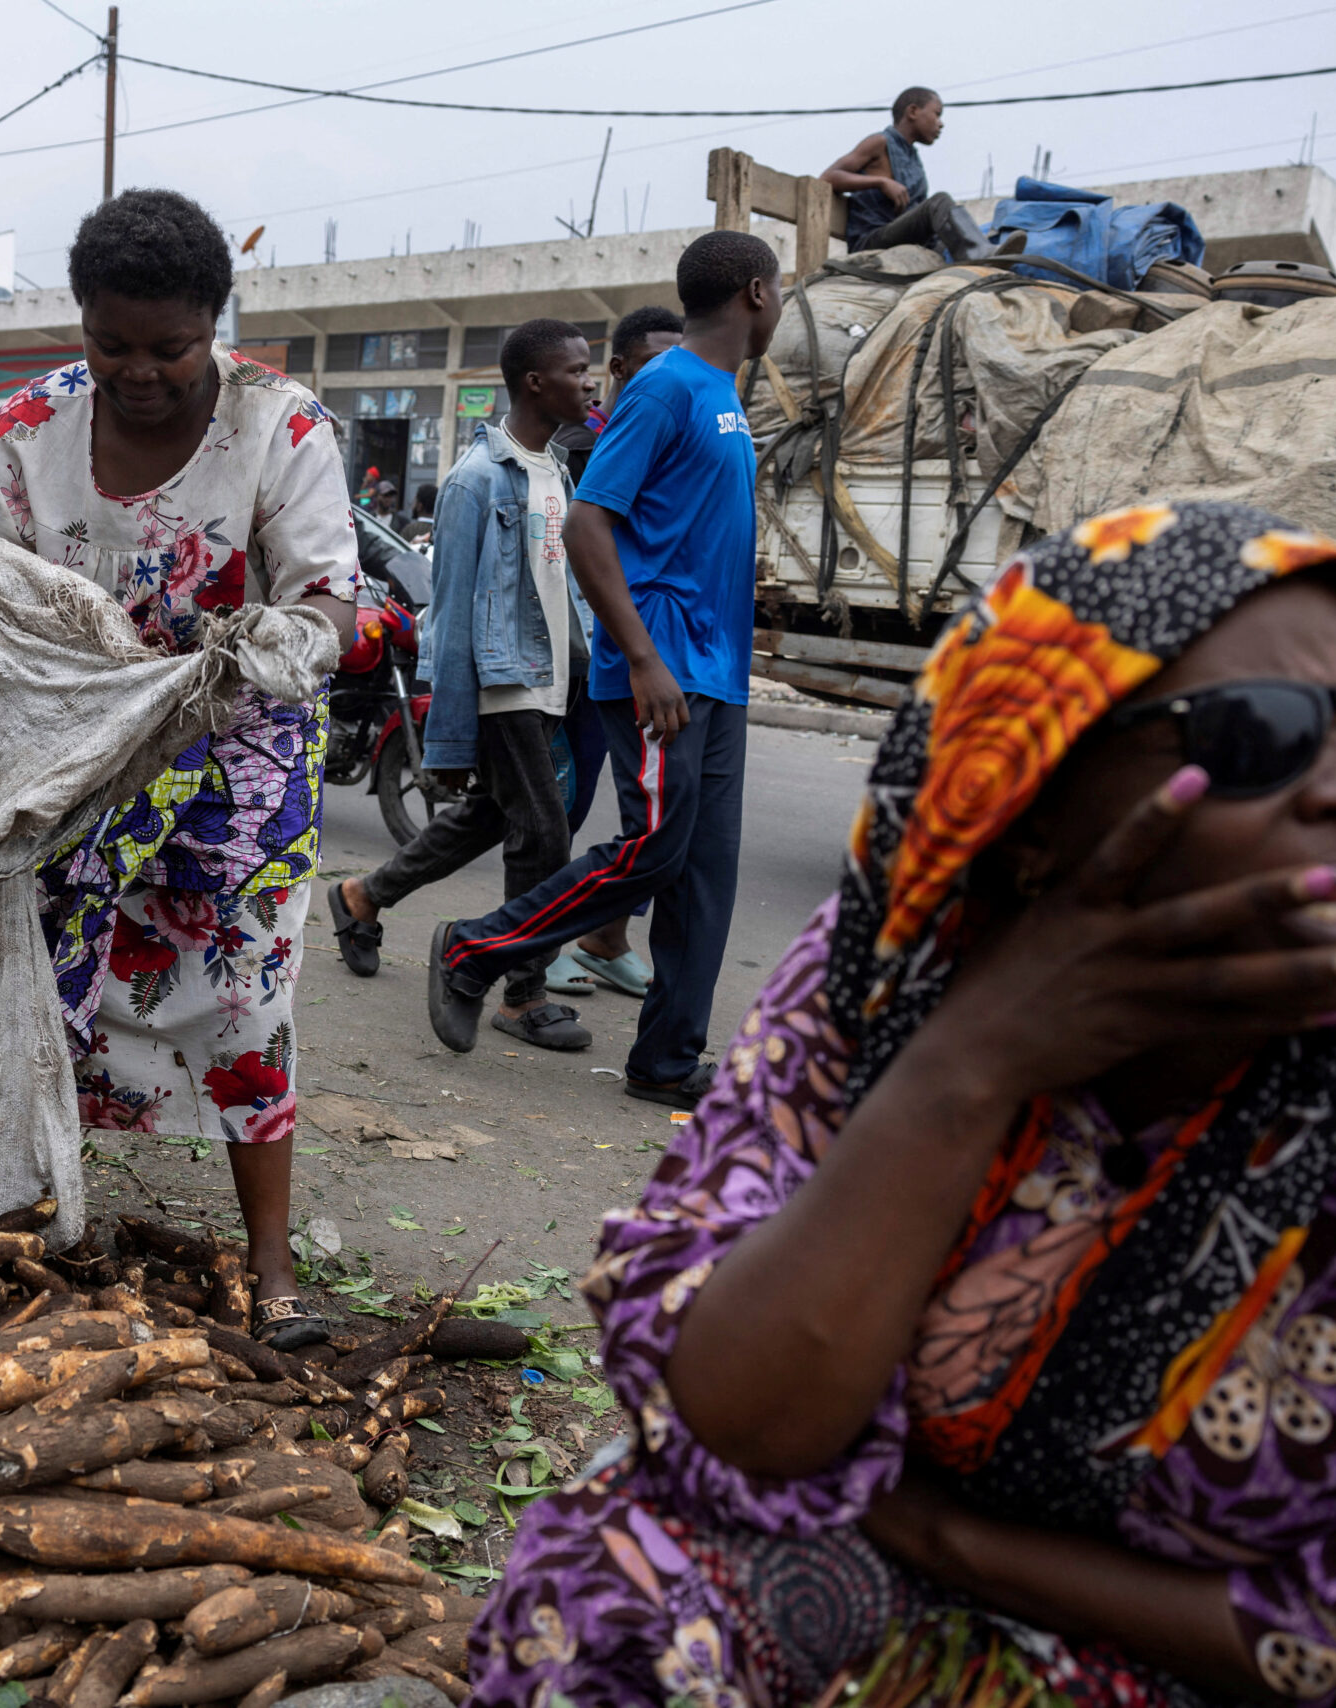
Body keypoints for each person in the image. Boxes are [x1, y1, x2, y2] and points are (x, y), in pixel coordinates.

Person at [472, 502, 1336, 1708]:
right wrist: (972, 1060)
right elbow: (730, 1415)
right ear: (1027, 800)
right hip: (877, 1566)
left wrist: (952, 1543)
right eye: (1260, 733)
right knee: (609, 1584)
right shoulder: (899, 964)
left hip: (1223, 1664)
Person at [0, 188, 360, 1350]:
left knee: (241, 1000)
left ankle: (269, 1263)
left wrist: (286, 640)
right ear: (81, 326)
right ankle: (29, 1213)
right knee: (47, 977)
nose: (139, 371)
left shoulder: (284, 429)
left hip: (235, 767)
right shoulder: (27, 428)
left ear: (213, 323)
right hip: (72, 759)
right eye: (109, 344)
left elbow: (332, 595)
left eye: (168, 347)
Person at [424, 231, 781, 1112]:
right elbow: (590, 525)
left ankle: (665, 1062)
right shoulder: (665, 388)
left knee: (706, 873)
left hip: (718, 671)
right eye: (780, 289)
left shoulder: (725, 395)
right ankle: (474, 950)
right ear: (755, 293)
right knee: (653, 851)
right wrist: (647, 658)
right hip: (665, 667)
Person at [329, 319, 595, 1051]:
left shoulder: (557, 471)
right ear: (535, 383)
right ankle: (520, 989)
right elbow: (450, 608)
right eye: (576, 370)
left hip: (550, 679)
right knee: (544, 831)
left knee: (491, 815)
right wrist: (448, 725)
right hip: (503, 680)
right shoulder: (476, 481)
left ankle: (362, 895)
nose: (590, 380)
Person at [544, 303, 688, 1003]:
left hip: (618, 651)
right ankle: (527, 947)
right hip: (577, 651)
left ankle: (605, 938)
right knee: (553, 810)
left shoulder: (669, 431)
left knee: (640, 817)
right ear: (621, 369)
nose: (674, 374)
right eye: (658, 361)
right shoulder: (579, 446)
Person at [822, 86, 992, 260]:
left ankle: (991, 257)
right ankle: (979, 253)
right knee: (938, 202)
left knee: (948, 243)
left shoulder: (913, 158)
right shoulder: (880, 143)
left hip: (905, 239)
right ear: (912, 111)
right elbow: (828, 177)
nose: (941, 123)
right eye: (937, 114)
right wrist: (881, 182)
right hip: (872, 239)